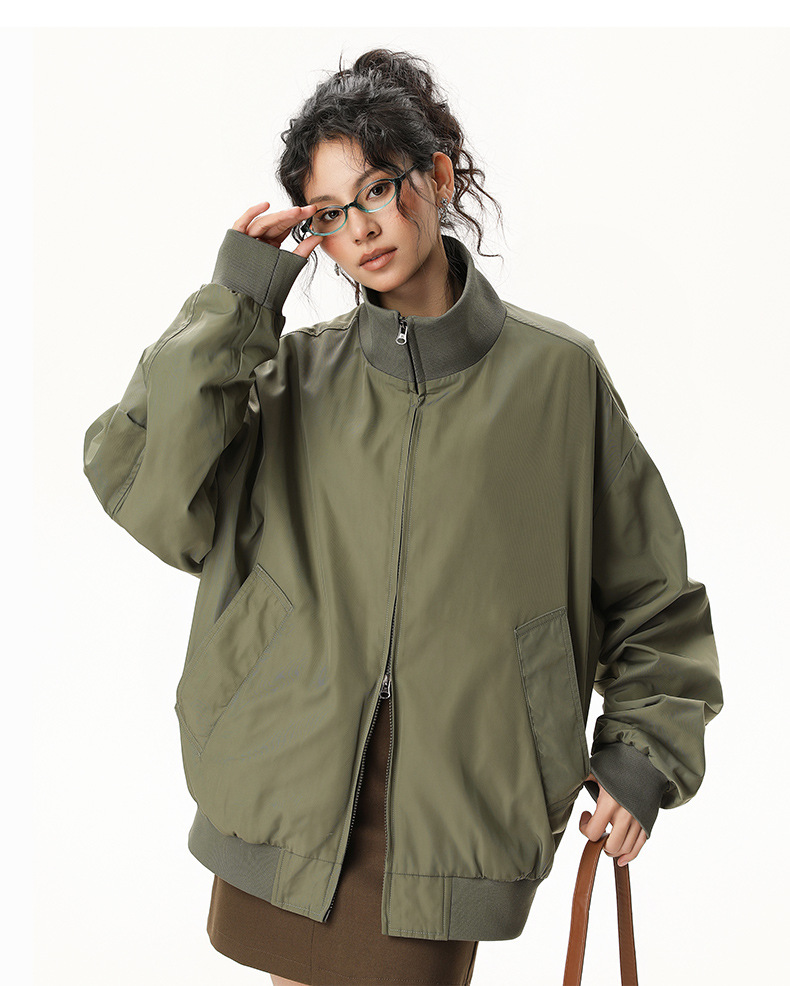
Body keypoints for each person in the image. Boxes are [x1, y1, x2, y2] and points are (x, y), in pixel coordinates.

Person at [82, 48, 724, 986]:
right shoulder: (294, 374)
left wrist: (640, 752)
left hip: (452, 816)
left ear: (438, 177)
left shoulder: (559, 378)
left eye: (377, 188)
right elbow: (148, 487)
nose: (362, 228)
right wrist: (237, 303)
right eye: (330, 213)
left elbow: (652, 594)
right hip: (281, 790)